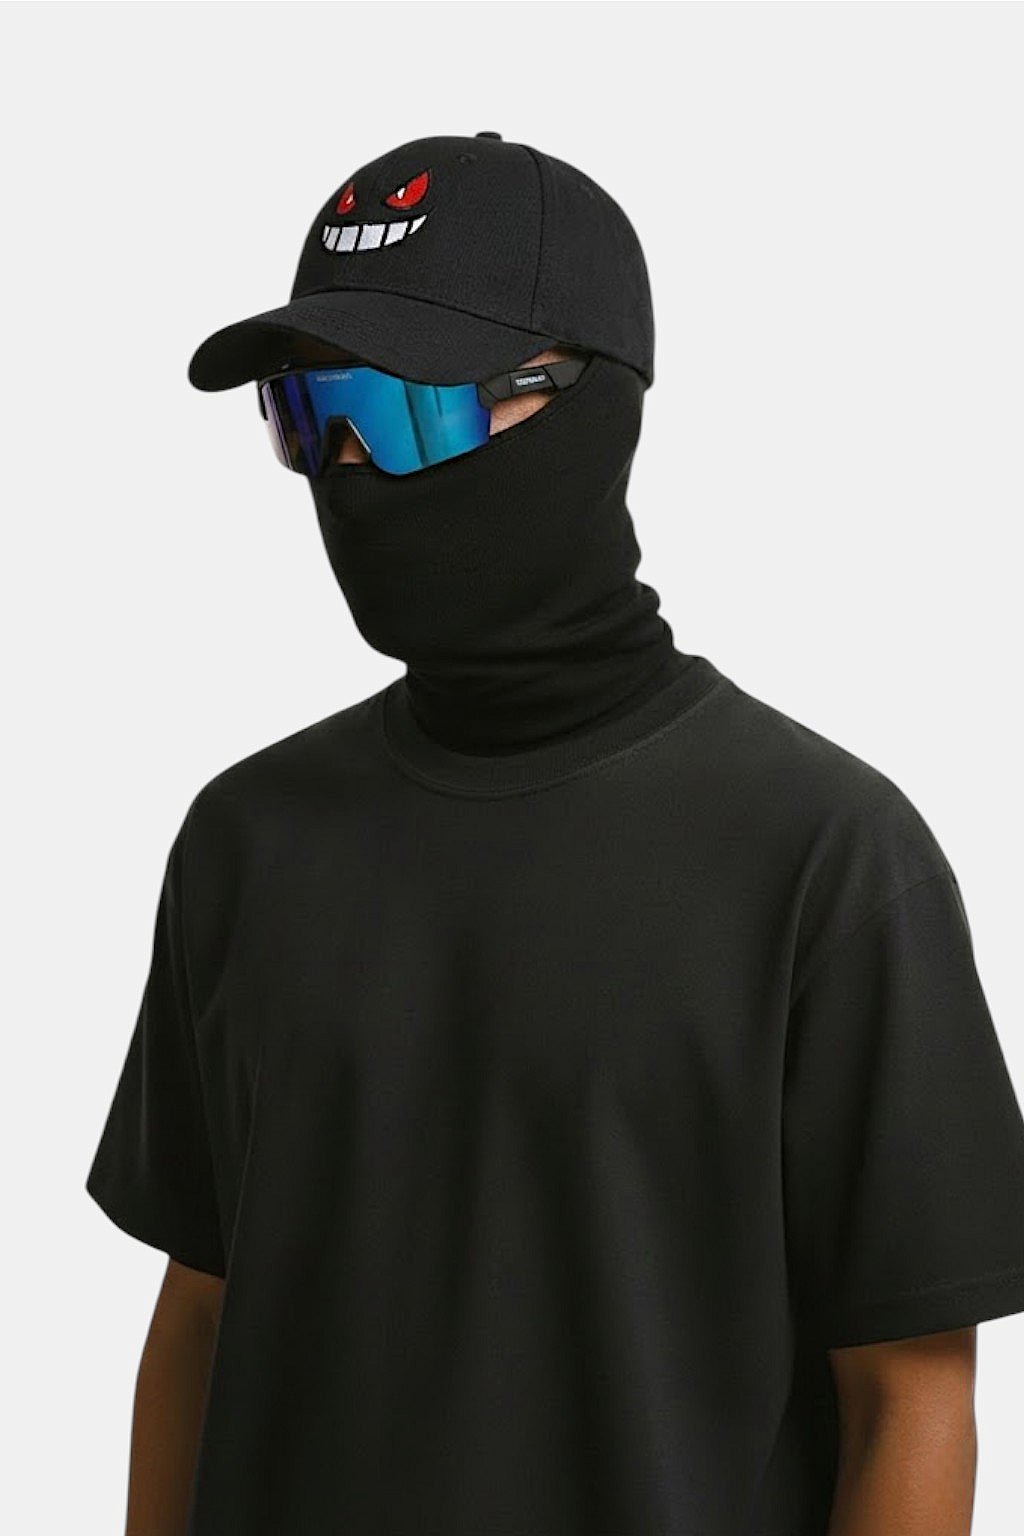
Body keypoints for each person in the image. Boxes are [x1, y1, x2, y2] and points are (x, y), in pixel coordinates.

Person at [85, 131, 1024, 1536]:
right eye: (311, 416)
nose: (351, 470)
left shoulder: (824, 862)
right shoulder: (244, 842)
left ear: (591, 401)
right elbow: (201, 1316)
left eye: (409, 412)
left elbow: (911, 1395)